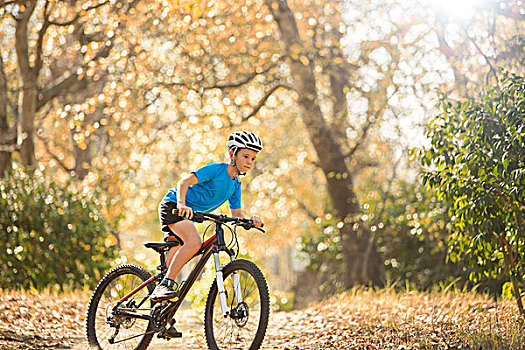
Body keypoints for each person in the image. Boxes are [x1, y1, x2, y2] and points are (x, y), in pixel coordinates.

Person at [150, 131, 264, 302]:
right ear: (232, 154)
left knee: (176, 258)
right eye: (246, 156)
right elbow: (184, 183)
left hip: (188, 215)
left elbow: (237, 213)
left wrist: (251, 219)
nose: (250, 162)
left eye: (253, 159)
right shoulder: (216, 170)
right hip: (174, 206)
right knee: (194, 242)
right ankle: (165, 284)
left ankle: (161, 315)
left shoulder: (235, 184)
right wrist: (182, 204)